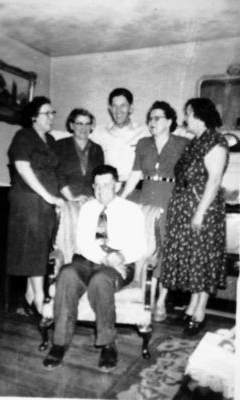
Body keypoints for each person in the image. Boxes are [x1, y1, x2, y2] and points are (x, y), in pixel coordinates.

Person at [43, 165, 146, 372]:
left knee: (100, 279)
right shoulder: (88, 208)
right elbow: (83, 243)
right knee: (67, 274)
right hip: (88, 259)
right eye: (97, 186)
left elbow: (140, 245)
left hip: (119, 263)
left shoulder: (131, 209)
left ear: (117, 185)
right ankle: (59, 343)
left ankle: (108, 344)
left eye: (106, 185)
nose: (101, 190)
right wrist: (103, 257)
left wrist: (121, 255)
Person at [158, 98, 229, 335]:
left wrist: (199, 213)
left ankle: (200, 312)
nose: (185, 118)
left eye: (187, 113)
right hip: (185, 207)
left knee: (202, 259)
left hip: (203, 209)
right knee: (192, 259)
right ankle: (191, 307)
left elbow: (215, 179)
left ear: (199, 115)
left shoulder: (215, 141)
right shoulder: (195, 141)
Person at [121, 101, 189, 321]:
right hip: (147, 196)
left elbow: (192, 176)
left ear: (169, 121)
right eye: (150, 118)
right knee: (146, 247)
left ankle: (161, 301)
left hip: (171, 198)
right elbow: (134, 175)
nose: (152, 122)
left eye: (157, 118)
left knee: (167, 249)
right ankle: (146, 296)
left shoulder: (183, 143)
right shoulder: (143, 143)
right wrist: (119, 198)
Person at [7, 96, 64, 315]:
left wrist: (60, 198)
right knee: (34, 249)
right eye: (46, 113)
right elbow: (22, 168)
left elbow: (56, 172)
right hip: (28, 200)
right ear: (33, 117)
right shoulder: (23, 136)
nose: (51, 117)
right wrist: (48, 196)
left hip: (46, 202)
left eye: (53, 113)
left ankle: (31, 297)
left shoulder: (50, 140)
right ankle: (40, 301)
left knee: (41, 247)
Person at [90, 87, 149, 184]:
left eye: (123, 105)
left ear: (131, 108)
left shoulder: (144, 131)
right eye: (115, 106)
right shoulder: (98, 132)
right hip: (110, 187)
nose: (118, 110)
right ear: (110, 109)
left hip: (137, 186)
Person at [55, 108, 104, 201]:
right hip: (66, 199)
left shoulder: (97, 149)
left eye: (87, 124)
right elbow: (58, 175)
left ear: (91, 126)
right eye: (79, 124)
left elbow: (99, 178)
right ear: (72, 125)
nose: (83, 128)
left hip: (90, 199)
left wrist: (94, 198)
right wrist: (72, 198)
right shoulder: (60, 146)